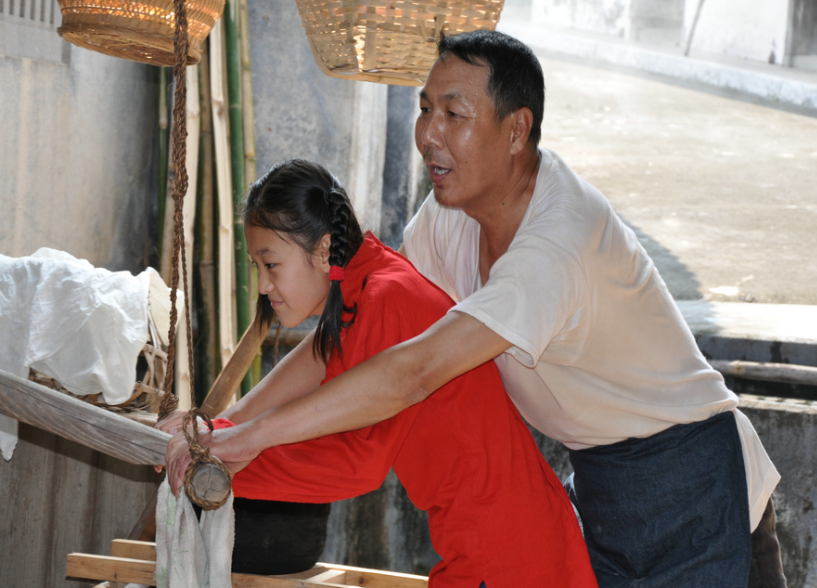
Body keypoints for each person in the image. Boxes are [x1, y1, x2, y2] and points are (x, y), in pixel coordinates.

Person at [168, 31, 787, 587]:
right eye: (424, 109)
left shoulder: (558, 240)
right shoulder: (448, 217)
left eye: (454, 114)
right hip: (603, 483)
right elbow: (358, 336)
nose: (428, 133)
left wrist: (247, 439)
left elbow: (411, 371)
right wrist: (221, 429)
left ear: (516, 131)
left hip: (691, 477)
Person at [163, 159, 598, 587]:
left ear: (321, 248)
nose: (261, 284)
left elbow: (355, 463)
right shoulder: (366, 284)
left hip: (508, 555)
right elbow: (319, 357)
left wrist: (228, 453)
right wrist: (218, 430)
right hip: (504, 538)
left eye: (271, 264)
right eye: (256, 267)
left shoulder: (385, 298)